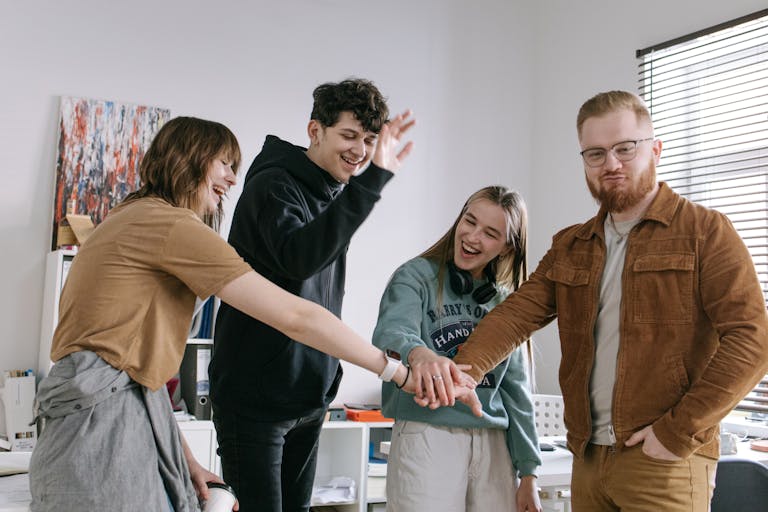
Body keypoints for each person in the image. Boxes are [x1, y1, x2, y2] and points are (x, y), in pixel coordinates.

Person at [29, 116, 475, 512]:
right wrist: (395, 371)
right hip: (98, 416)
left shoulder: (131, 215)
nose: (230, 178)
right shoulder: (171, 224)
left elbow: (135, 373)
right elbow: (296, 317)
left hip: (103, 404)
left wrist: (185, 462)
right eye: (223, 163)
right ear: (188, 157)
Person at [449, 90, 768, 511]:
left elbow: (752, 340)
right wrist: (461, 373)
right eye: (596, 153)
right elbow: (515, 316)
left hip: (665, 460)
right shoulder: (571, 244)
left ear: (655, 149)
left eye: (625, 148)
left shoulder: (705, 231)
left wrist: (676, 432)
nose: (611, 164)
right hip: (588, 457)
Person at [209, 78, 420, 512]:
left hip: (309, 398)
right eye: (348, 135)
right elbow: (299, 260)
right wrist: (374, 181)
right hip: (256, 402)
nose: (360, 151)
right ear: (314, 131)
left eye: (368, 140)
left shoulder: (331, 191)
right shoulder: (273, 186)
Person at [372, 186, 543, 512]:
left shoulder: (505, 301)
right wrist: (420, 355)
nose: (473, 237)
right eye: (470, 221)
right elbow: (392, 332)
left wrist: (529, 474)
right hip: (429, 434)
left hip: (493, 443)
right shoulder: (416, 276)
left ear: (507, 247)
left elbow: (517, 394)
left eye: (490, 233)